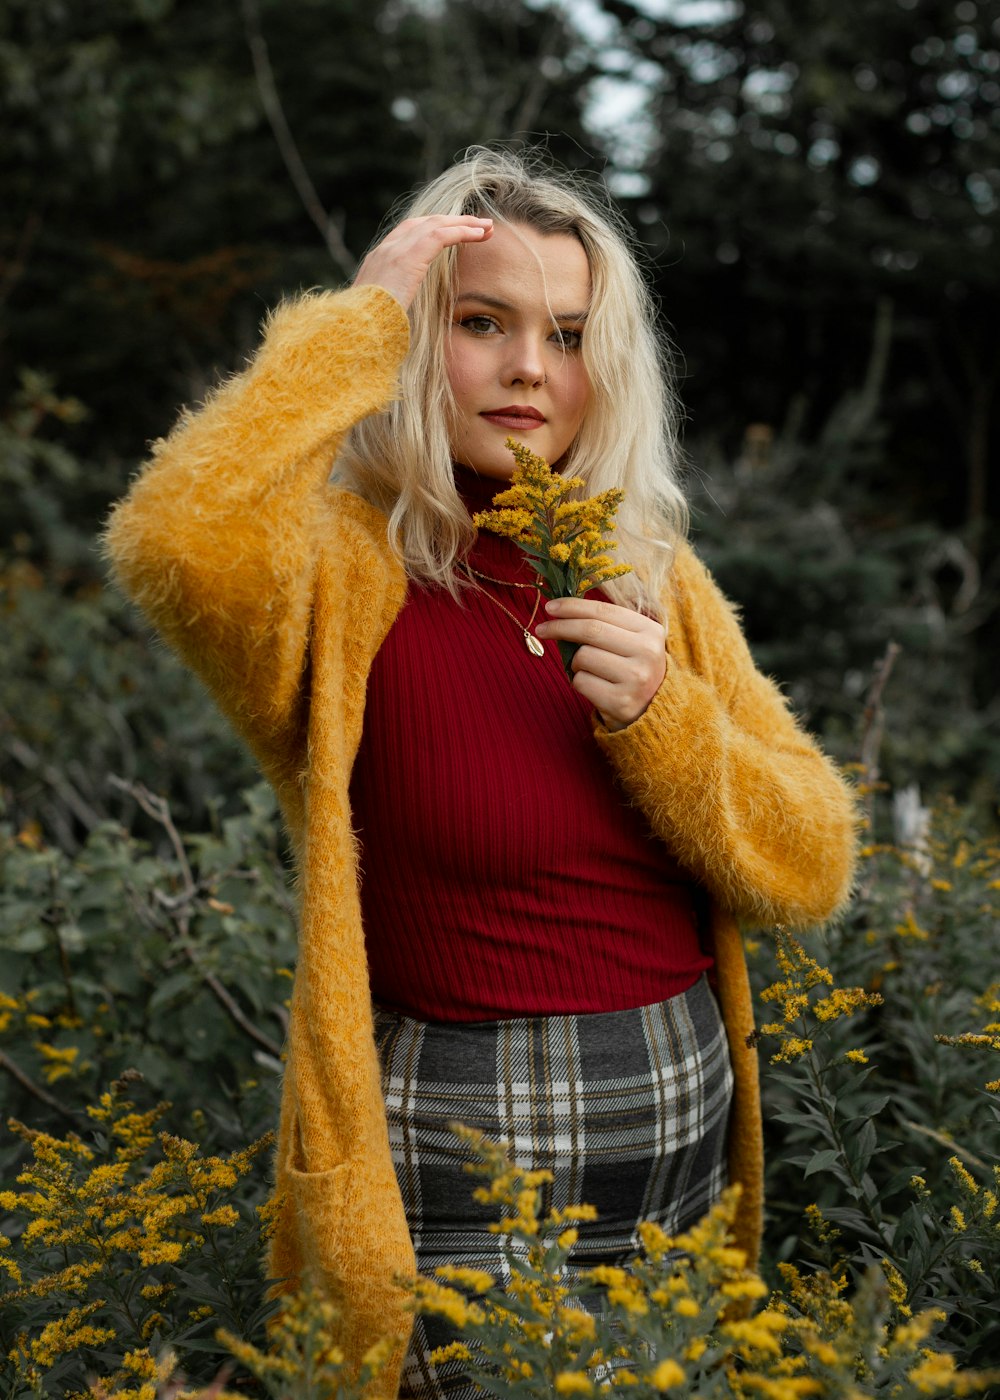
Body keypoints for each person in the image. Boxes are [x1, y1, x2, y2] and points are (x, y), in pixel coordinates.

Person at [103, 146, 857, 1398]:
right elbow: (177, 538)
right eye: (479, 322)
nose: (527, 369)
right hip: (462, 1132)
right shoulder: (342, 572)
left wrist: (665, 713)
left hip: (678, 1116)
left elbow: (810, 859)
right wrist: (358, 323)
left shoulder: (645, 570)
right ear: (415, 339)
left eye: (567, 333)